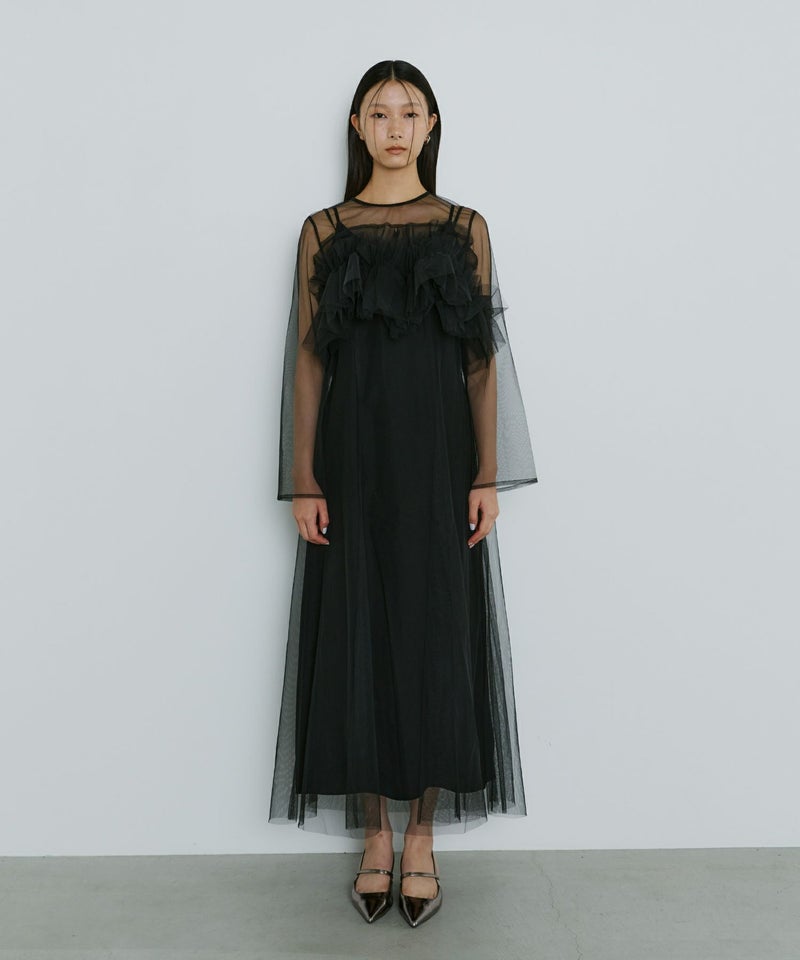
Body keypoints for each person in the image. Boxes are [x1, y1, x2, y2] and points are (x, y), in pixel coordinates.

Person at [268, 59, 538, 928]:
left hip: (437, 460)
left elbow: (481, 364)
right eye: (378, 113)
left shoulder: (464, 228)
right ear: (358, 126)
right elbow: (309, 360)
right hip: (351, 459)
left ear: (431, 125)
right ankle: (374, 837)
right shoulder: (323, 230)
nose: (394, 127)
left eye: (409, 111)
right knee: (357, 629)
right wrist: (304, 476)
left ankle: (420, 836)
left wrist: (485, 473)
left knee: (433, 633)